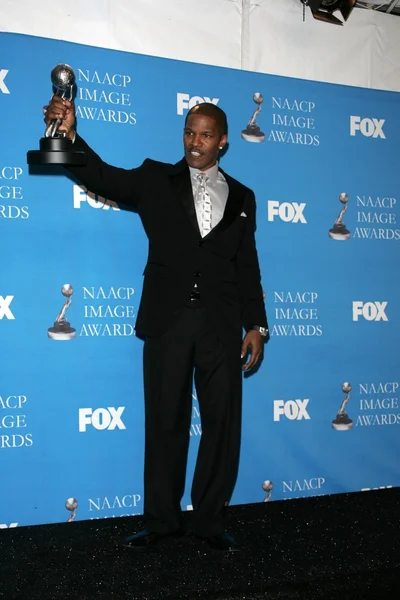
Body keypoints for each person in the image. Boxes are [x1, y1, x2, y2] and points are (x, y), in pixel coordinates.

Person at [43, 96, 269, 553]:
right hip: (167, 321)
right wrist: (68, 134)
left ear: (223, 141)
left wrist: (256, 326)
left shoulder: (244, 197)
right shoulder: (156, 179)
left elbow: (248, 267)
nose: (195, 142)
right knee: (165, 421)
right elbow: (102, 176)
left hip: (221, 327)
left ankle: (208, 521)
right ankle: (162, 520)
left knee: (222, 426)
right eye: (189, 132)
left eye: (206, 135)